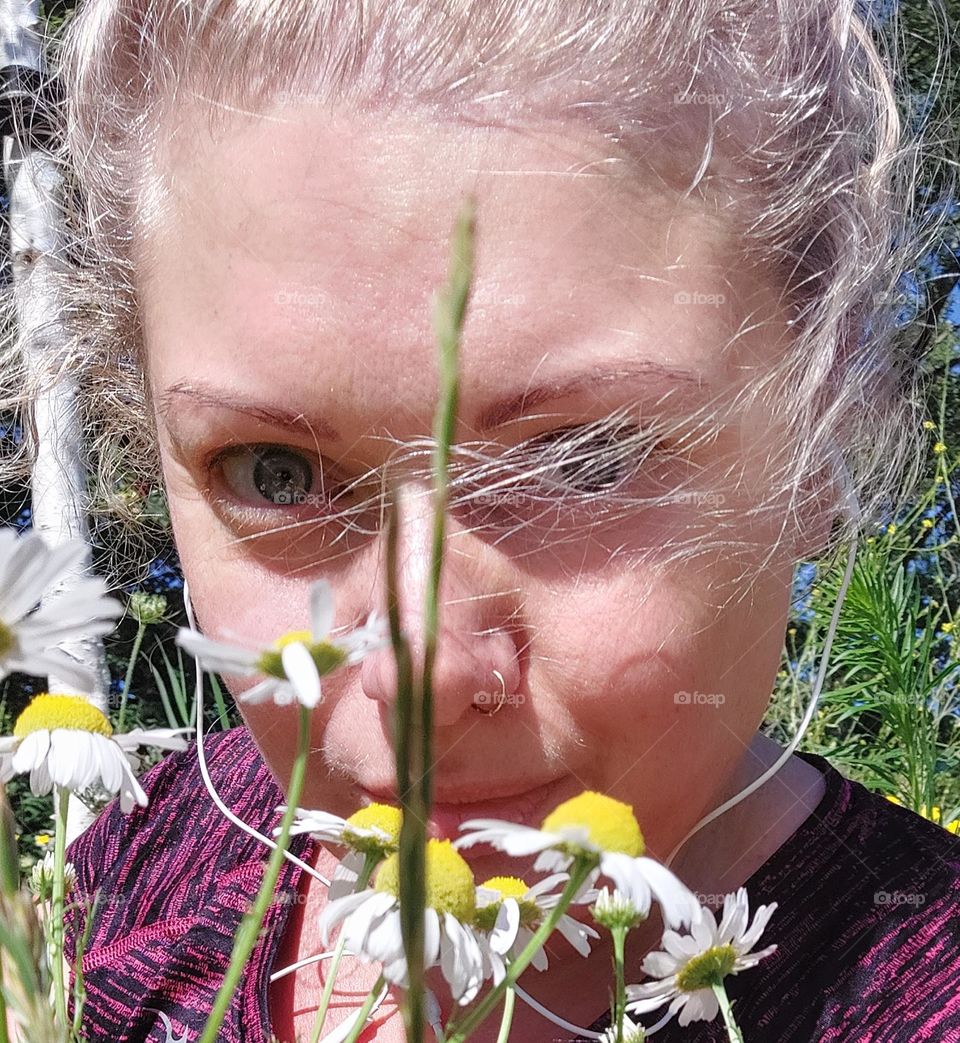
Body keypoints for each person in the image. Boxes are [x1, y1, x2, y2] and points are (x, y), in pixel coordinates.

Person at [5, 0, 954, 1039]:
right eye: (275, 472)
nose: (419, 677)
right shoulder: (118, 896)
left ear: (823, 428)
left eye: (582, 456)